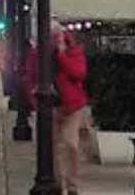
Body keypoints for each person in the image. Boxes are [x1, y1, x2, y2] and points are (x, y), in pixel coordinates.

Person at [25, 22, 88, 195]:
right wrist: (34, 100)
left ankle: (72, 185)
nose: (52, 40)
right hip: (48, 106)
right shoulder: (37, 53)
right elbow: (30, 76)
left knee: (70, 144)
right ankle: (57, 184)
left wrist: (61, 54)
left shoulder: (72, 50)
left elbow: (78, 73)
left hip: (71, 106)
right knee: (51, 147)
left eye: (55, 36)